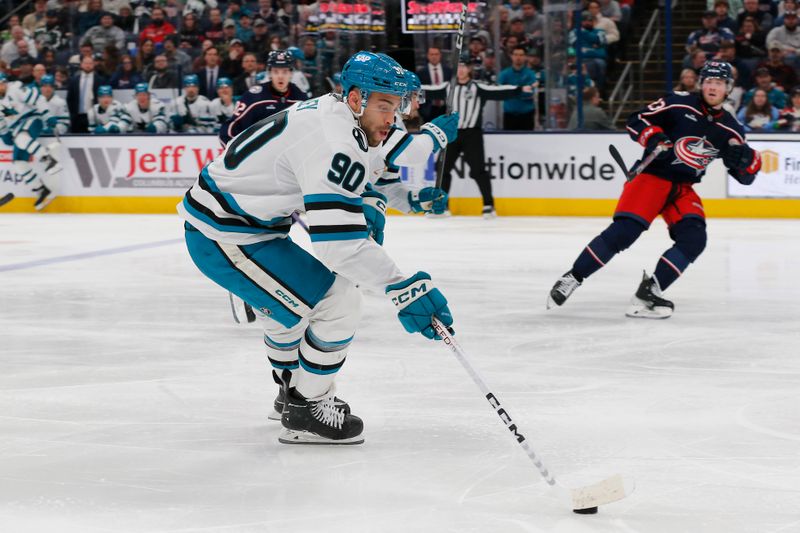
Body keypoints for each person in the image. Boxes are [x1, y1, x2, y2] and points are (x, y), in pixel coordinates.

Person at [177, 51, 455, 445]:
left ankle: (290, 394)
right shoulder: (333, 139)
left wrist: (412, 198)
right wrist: (403, 287)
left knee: (286, 317)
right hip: (225, 236)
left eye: (396, 108)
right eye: (384, 106)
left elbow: (370, 173)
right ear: (357, 98)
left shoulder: (336, 113)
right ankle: (308, 407)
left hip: (247, 228)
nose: (392, 119)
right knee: (339, 304)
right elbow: (338, 246)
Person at [546, 61, 761, 318]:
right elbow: (636, 119)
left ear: (729, 88)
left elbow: (743, 177)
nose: (712, 86)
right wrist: (653, 136)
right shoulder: (679, 103)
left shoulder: (731, 129)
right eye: (708, 81)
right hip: (652, 176)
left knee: (694, 239)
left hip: (682, 188)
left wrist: (749, 164)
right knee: (623, 234)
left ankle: (649, 292)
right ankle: (573, 277)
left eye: (719, 82)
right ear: (701, 83)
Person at [423, 56, 534, 217]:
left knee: (478, 170)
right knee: (442, 170)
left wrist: (520, 89)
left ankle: (489, 205)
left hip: (472, 134)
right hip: (452, 134)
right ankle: (441, 206)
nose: (461, 70)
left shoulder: (478, 87)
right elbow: (429, 90)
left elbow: (499, 91)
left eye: (464, 67)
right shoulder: (448, 87)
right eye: (458, 67)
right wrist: (409, 88)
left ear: (469, 69)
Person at [219, 49, 308, 145]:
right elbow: (228, 131)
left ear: (291, 73)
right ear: (269, 73)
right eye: (276, 72)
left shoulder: (300, 97)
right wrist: (233, 157)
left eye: (285, 71)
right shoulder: (254, 97)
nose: (280, 76)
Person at [0, 73, 62, 210]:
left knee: (21, 139)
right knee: (18, 162)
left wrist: (47, 114)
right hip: (17, 129)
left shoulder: (15, 89)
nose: (0, 86)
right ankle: (41, 189)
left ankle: (48, 160)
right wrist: (3, 133)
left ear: (5, 82)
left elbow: (37, 99)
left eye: (1, 83)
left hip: (32, 120)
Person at [498, 46, 537, 130]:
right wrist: (522, 89)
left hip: (527, 115)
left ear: (525, 57)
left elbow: (529, 93)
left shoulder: (530, 74)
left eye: (521, 55)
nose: (518, 57)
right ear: (511, 56)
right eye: (515, 54)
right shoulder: (504, 74)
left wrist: (512, 91)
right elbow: (501, 92)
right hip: (509, 115)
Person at [66, 55, 107, 133]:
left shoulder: (100, 80)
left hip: (93, 117)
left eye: (90, 63)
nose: (88, 65)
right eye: (85, 63)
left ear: (94, 64)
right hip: (77, 117)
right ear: (81, 64)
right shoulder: (74, 80)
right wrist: (72, 114)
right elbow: (69, 99)